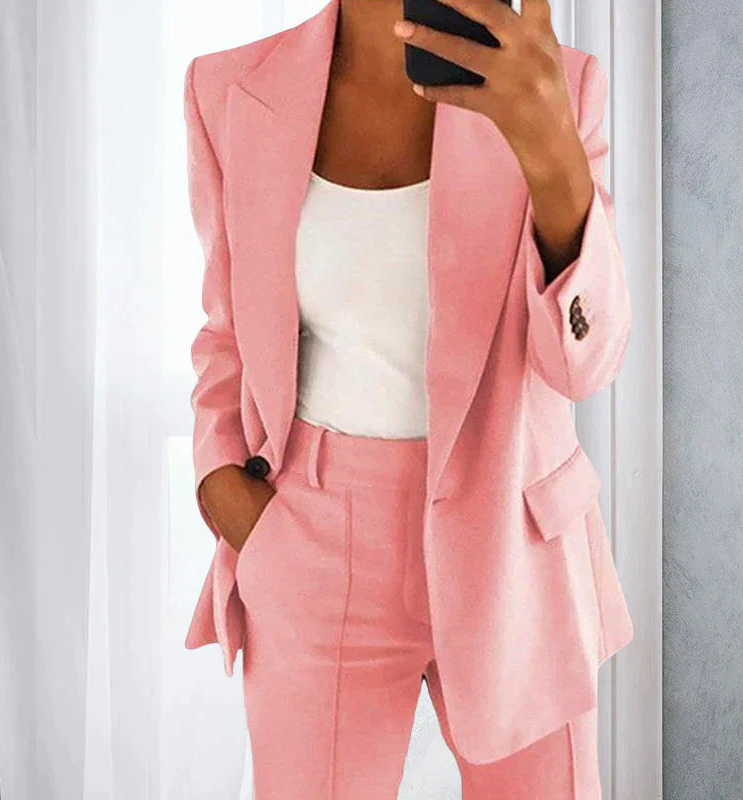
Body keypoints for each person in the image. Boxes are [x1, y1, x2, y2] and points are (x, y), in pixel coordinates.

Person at [182, 0, 634, 796]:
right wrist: (223, 483)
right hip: (312, 541)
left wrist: (551, 155)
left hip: (514, 546)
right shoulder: (230, 90)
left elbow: (585, 366)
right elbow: (227, 331)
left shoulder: (556, 87)